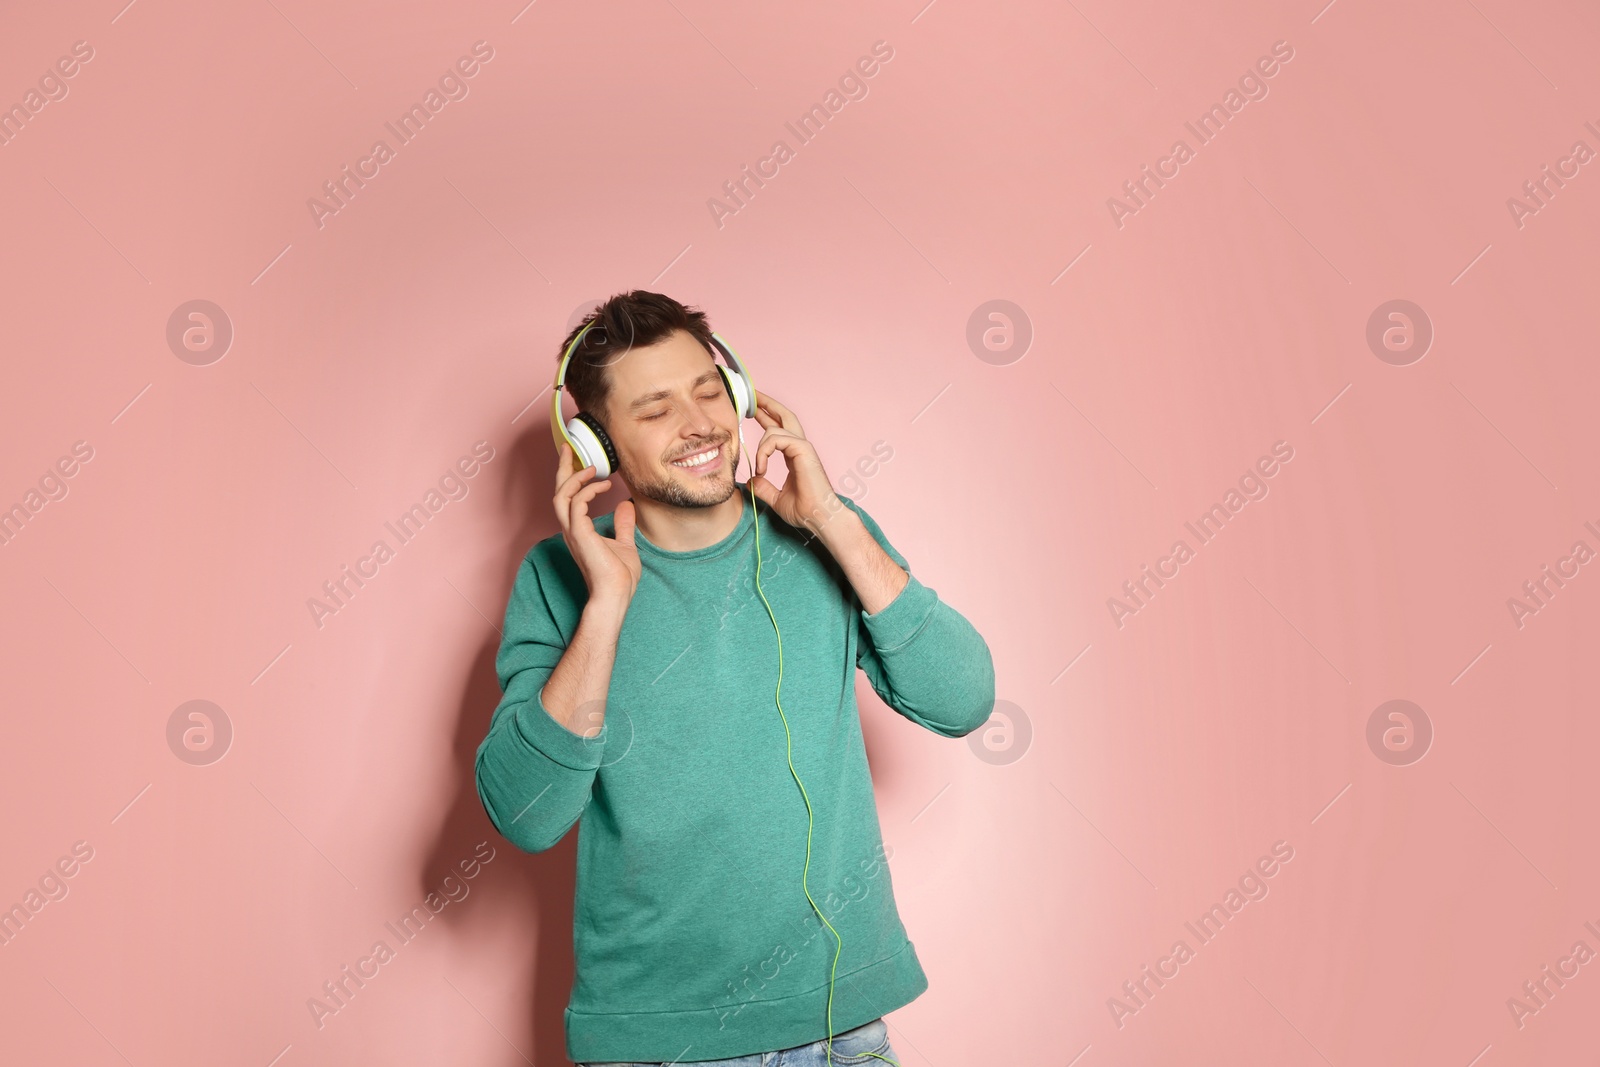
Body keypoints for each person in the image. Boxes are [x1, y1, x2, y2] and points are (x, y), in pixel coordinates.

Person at [474, 291, 996, 1066]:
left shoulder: (826, 534)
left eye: (709, 389)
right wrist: (607, 608)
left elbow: (963, 700)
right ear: (597, 445)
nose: (699, 423)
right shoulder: (559, 579)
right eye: (654, 408)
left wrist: (834, 522)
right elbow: (526, 813)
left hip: (839, 1032)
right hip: (659, 1043)